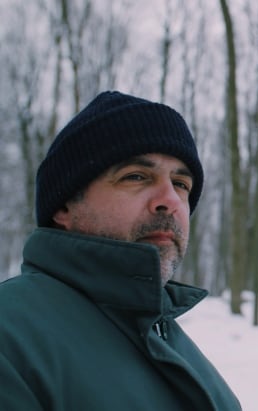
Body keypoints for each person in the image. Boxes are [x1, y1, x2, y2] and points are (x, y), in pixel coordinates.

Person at [0, 91, 241, 410]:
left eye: (181, 184)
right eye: (137, 177)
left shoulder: (168, 338)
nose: (169, 200)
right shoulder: (11, 336)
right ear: (65, 206)